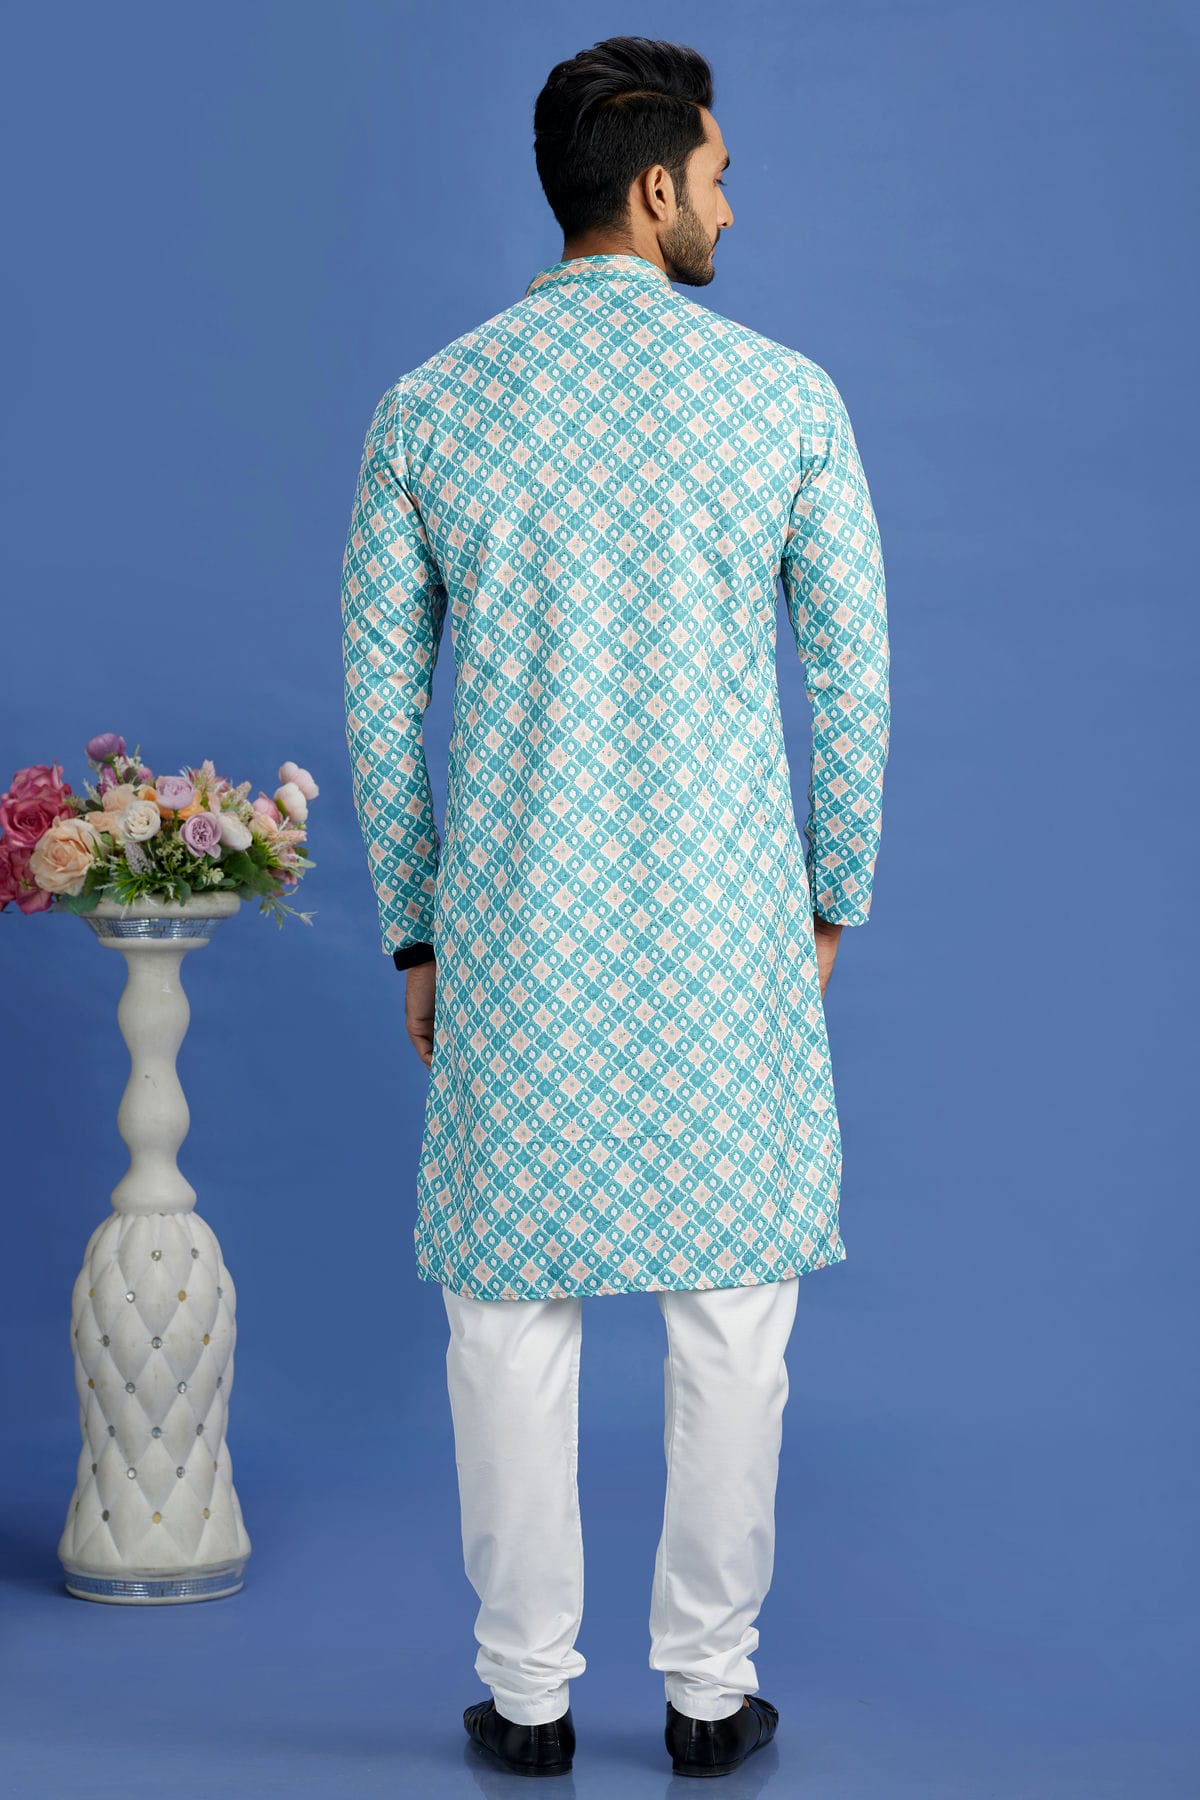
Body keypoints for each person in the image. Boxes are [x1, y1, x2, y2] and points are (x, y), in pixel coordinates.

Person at [340, 33, 890, 1781]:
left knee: (507, 1323)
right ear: (655, 190)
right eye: (719, 175)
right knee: (733, 1317)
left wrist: (418, 926)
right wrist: (833, 890)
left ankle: (526, 1701)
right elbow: (853, 671)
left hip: (518, 935)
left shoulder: (434, 406)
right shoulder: (782, 398)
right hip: (730, 933)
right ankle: (711, 1698)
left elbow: (377, 697)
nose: (733, 202)